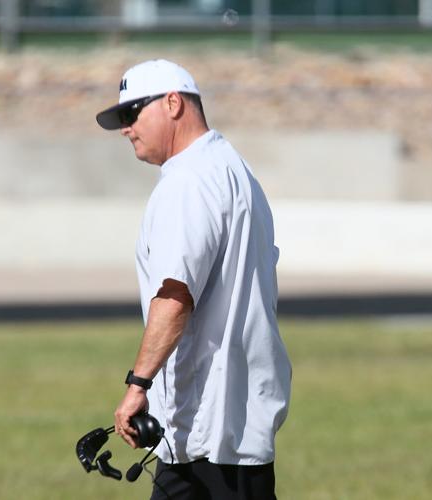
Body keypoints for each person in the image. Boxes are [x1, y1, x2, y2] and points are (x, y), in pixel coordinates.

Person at [95, 59, 291, 500]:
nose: (126, 128)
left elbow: (175, 294)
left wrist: (137, 385)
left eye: (132, 113)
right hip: (224, 418)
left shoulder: (189, 182)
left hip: (212, 421)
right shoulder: (231, 167)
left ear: (173, 103)